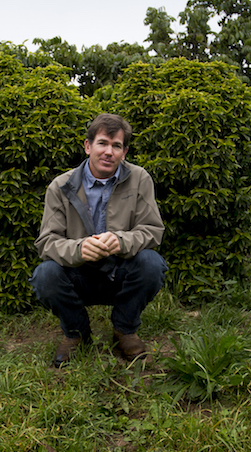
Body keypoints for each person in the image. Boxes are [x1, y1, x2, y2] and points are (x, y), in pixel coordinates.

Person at [31, 113, 168, 367]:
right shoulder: (60, 186)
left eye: (117, 146)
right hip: (78, 273)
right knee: (45, 275)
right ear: (87, 146)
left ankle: (124, 330)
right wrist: (79, 248)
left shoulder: (140, 179)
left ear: (124, 152)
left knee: (152, 263)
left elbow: (152, 230)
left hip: (122, 271)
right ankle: (76, 333)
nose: (109, 152)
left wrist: (122, 241)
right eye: (103, 143)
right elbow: (47, 242)